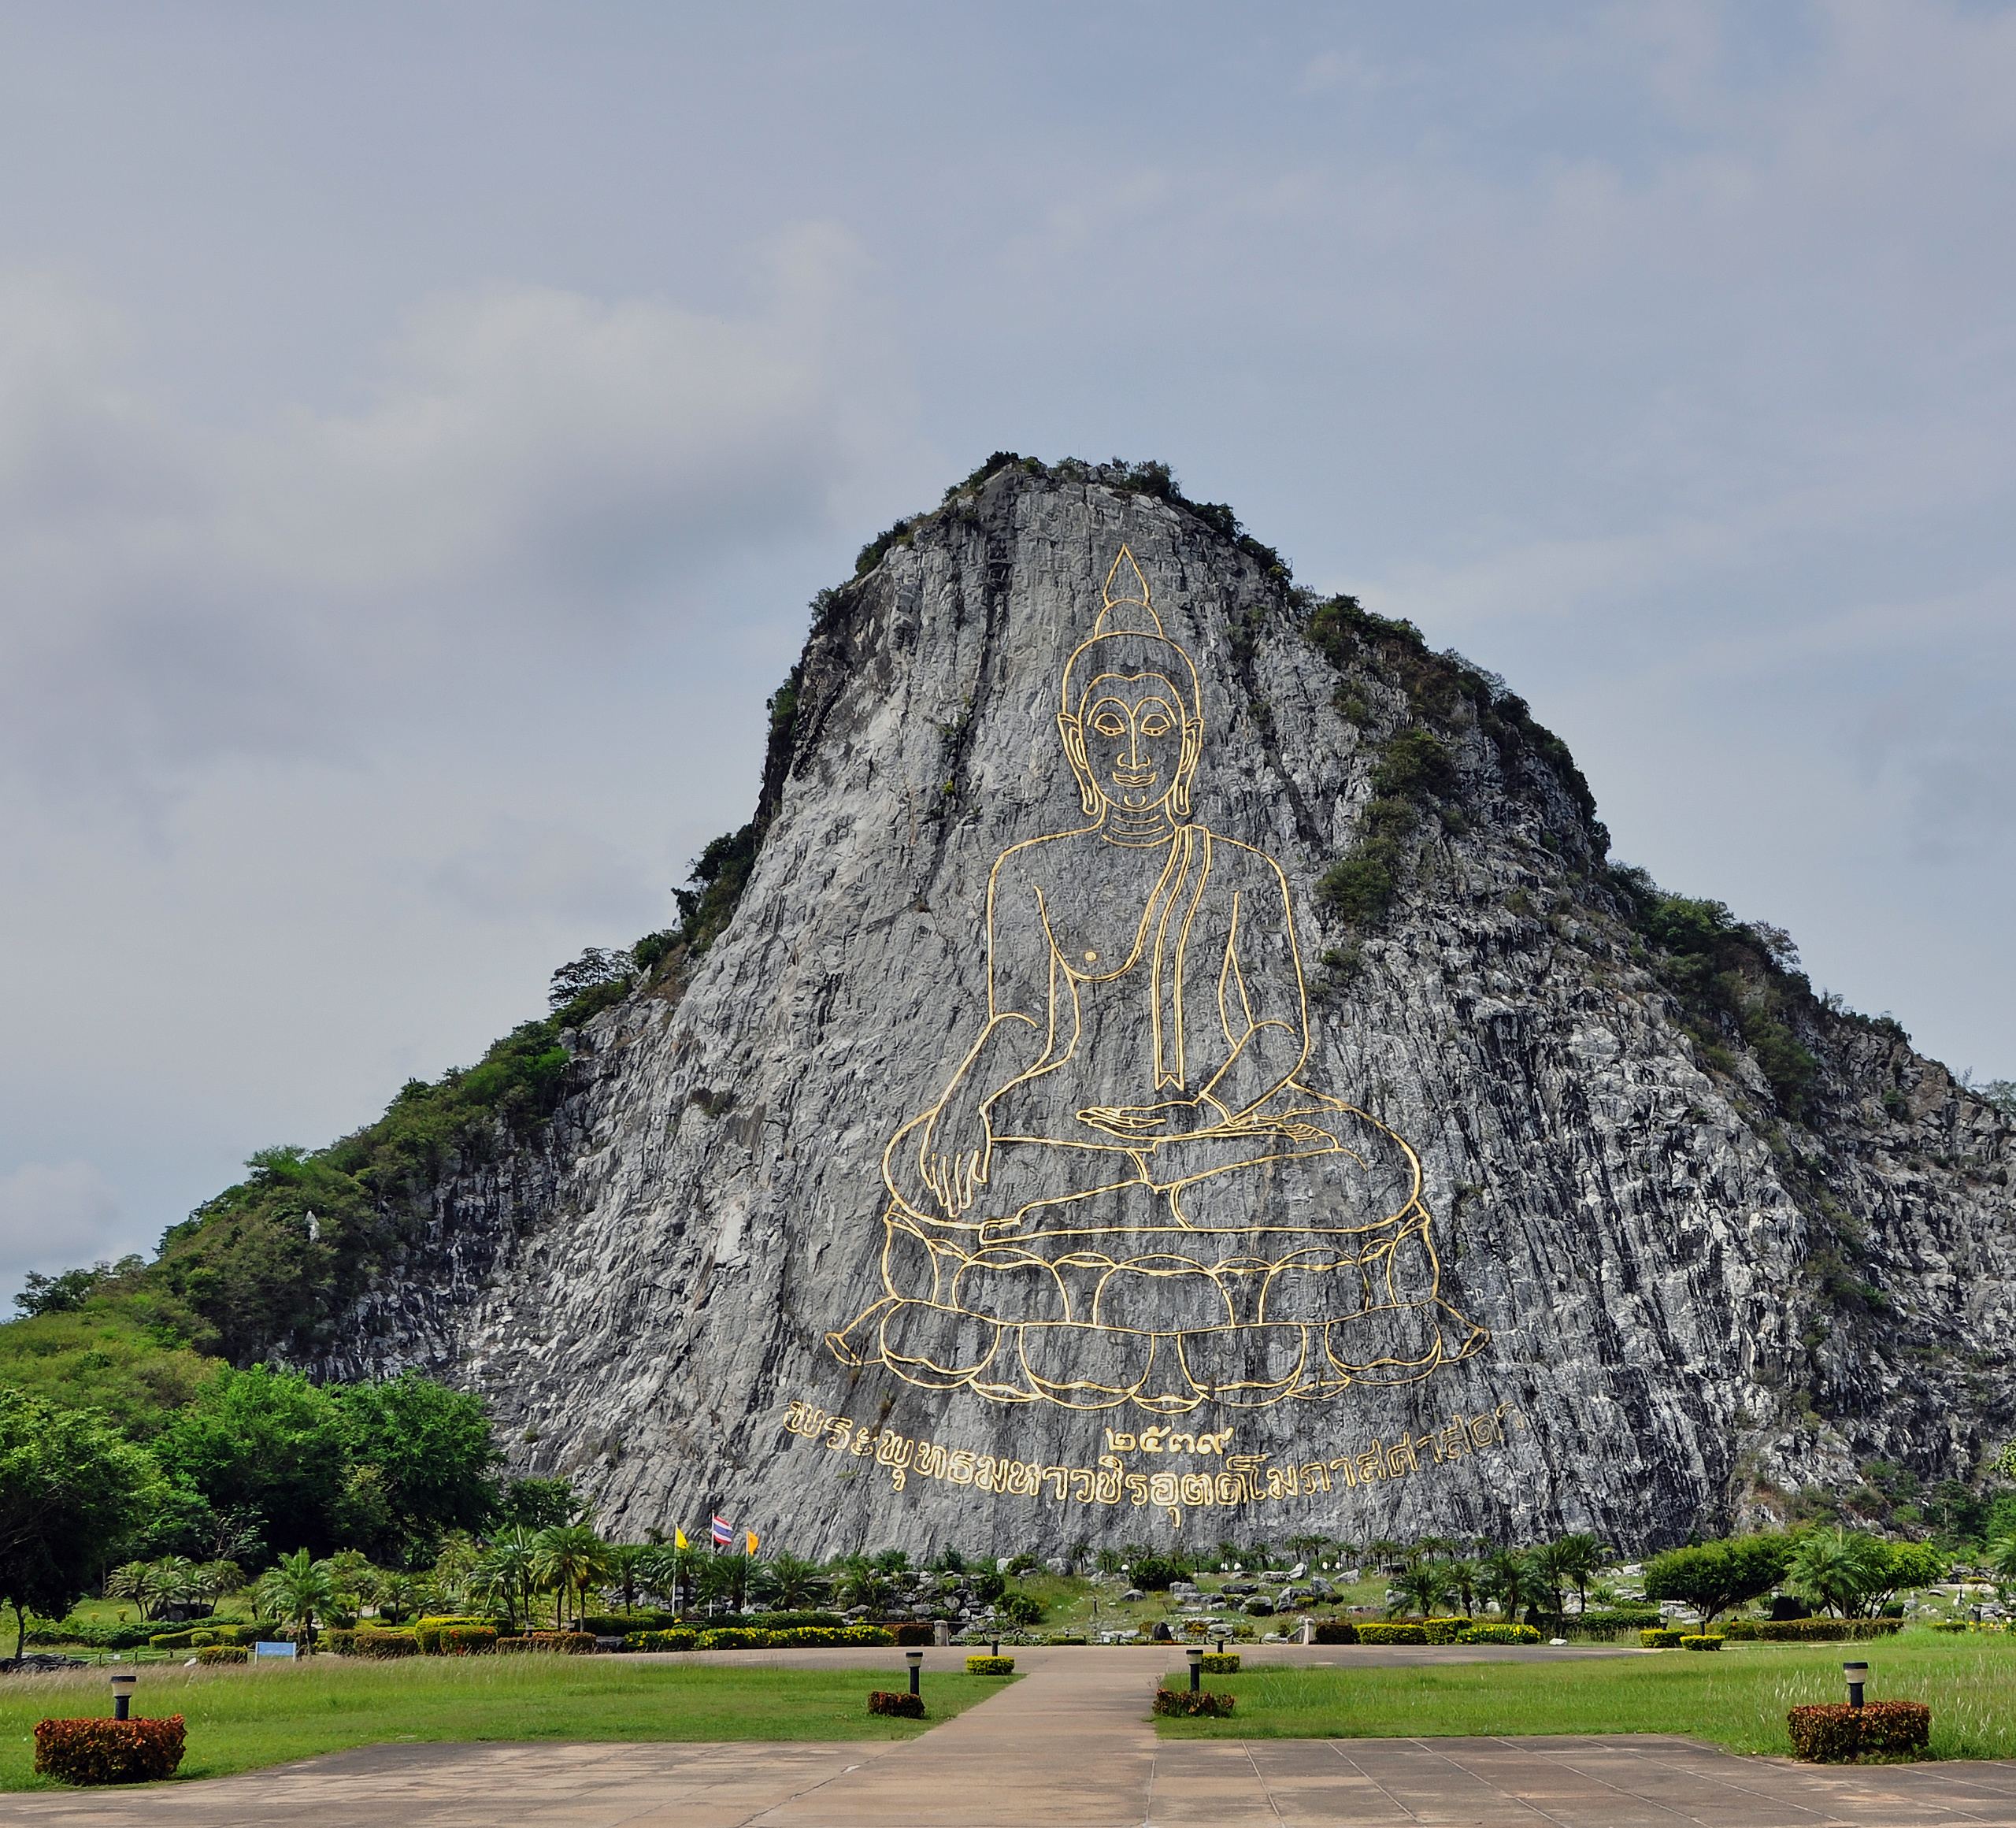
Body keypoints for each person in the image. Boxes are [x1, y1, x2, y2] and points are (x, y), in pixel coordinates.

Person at [828, 549, 1484, 1413]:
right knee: (937, 1163)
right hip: (1081, 1125)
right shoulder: (1032, 869)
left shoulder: (1242, 871)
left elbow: (1281, 1031)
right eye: (1107, 725)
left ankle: (1108, 1253)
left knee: (1368, 1166)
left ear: (1189, 737)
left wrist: (1203, 1113)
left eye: (1155, 726)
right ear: (1073, 737)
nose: (1132, 751)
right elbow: (1023, 1020)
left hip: (1225, 1126)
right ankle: (1148, 1252)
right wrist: (962, 1100)